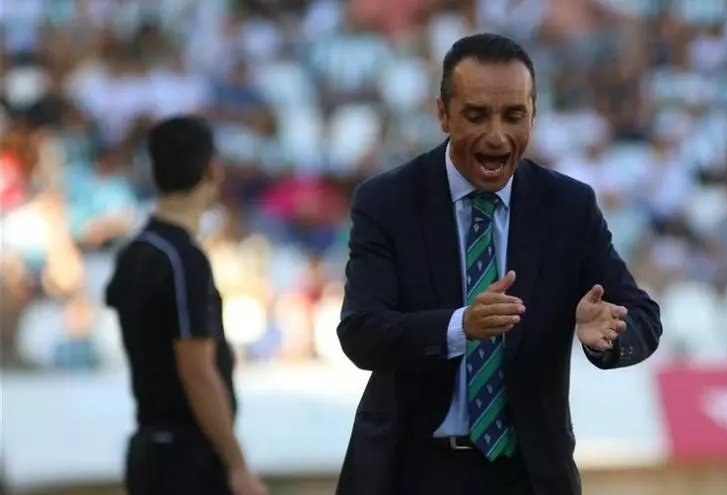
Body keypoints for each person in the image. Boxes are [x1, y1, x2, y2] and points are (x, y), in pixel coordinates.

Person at [335, 33, 662, 495]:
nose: (496, 135)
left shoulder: (568, 207)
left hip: (529, 476)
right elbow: (361, 332)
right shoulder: (387, 201)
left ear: (534, 115)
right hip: (410, 472)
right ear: (443, 114)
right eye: (476, 115)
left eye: (513, 116)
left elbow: (643, 316)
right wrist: (459, 326)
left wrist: (608, 334)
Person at [105, 116, 268, 495]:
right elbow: (197, 371)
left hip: (150, 446)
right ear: (212, 169)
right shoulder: (183, 259)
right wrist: (237, 465)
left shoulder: (135, 251)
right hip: (186, 456)